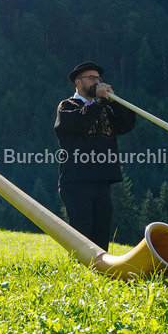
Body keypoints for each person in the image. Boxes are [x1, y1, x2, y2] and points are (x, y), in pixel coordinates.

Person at [54, 61, 136, 250]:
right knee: (81, 236)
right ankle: (78, 274)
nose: (96, 82)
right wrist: (99, 101)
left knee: (101, 236)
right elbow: (80, 123)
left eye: (98, 78)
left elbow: (126, 125)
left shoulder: (105, 108)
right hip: (76, 181)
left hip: (102, 181)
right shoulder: (67, 106)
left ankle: (99, 275)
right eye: (91, 78)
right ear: (78, 82)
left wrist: (114, 102)